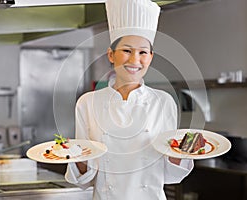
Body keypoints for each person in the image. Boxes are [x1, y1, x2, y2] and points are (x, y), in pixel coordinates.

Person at [65, 0, 194, 199]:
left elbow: (171, 175)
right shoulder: (87, 103)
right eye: (126, 51)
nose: (135, 60)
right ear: (111, 54)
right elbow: (84, 177)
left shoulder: (164, 102)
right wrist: (75, 154)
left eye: (143, 52)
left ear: (150, 57)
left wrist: (183, 150)